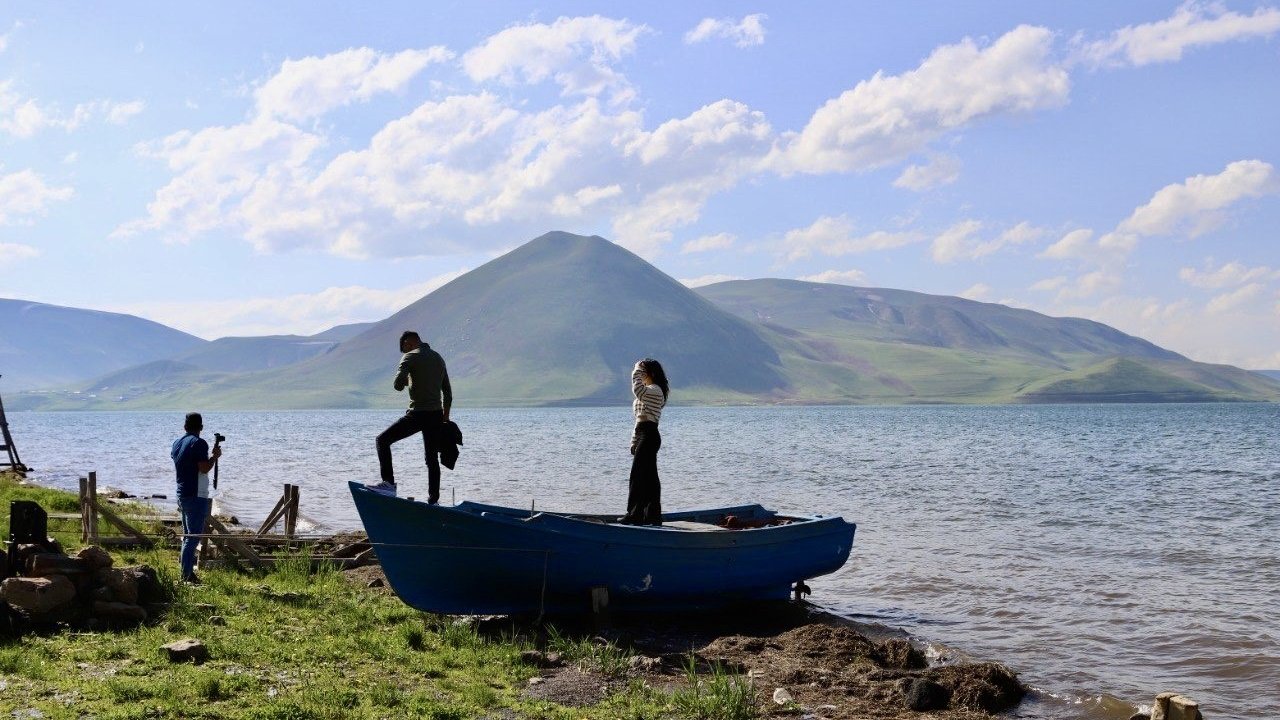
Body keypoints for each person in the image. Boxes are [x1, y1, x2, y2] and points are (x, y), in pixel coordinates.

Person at [371, 331, 452, 500]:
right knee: (432, 459)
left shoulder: (410, 357)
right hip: (436, 415)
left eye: (405, 348)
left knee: (382, 440)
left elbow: (397, 385)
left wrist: (407, 379)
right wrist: (445, 417)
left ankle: (389, 485)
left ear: (408, 343)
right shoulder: (439, 358)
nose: (405, 351)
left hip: (418, 414)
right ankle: (433, 500)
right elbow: (448, 394)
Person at [171, 412, 220, 584]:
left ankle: (186, 570)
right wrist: (214, 457)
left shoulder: (176, 444)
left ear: (185, 426)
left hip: (182, 493)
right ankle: (186, 575)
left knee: (188, 536)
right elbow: (204, 468)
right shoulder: (199, 443)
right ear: (201, 427)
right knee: (194, 536)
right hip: (196, 494)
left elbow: (190, 465)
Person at [622, 358, 669, 526]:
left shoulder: (656, 390)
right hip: (643, 434)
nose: (641, 375)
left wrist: (636, 369)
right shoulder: (648, 391)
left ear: (650, 373)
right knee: (649, 477)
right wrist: (634, 441)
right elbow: (639, 420)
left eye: (643, 372)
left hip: (650, 434)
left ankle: (635, 514)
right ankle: (652, 516)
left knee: (638, 475)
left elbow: (638, 391)